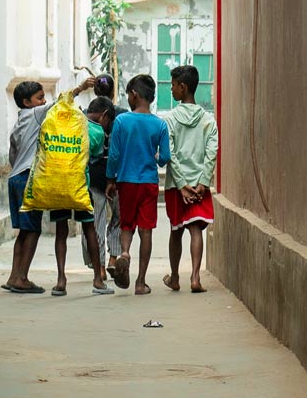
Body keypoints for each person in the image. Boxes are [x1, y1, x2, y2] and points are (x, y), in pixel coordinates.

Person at [5, 76, 97, 294]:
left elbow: (12, 154)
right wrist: (81, 87)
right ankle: (23, 278)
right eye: (39, 98)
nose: (43, 101)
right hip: (28, 179)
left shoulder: (19, 120)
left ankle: (13, 275)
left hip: (14, 178)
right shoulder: (36, 114)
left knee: (23, 232)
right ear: (27, 102)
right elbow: (61, 100)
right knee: (33, 230)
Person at [105, 74, 171, 295]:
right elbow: (164, 157)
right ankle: (141, 282)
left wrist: (110, 179)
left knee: (127, 224)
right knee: (146, 230)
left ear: (134, 95)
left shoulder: (122, 121)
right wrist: (155, 157)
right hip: (148, 182)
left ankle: (124, 254)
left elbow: (113, 155)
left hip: (126, 181)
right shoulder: (160, 125)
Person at [162, 65, 218, 294]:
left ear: (183, 87)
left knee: (176, 230)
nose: (171, 89)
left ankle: (175, 277)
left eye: (173, 85)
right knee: (196, 231)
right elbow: (211, 152)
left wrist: (182, 184)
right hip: (199, 187)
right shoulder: (208, 120)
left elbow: (170, 154)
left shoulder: (170, 119)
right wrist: (202, 183)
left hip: (178, 186)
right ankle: (195, 278)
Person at [49, 101, 112, 297]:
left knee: (61, 231)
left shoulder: (62, 123)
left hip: (59, 184)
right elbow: (94, 155)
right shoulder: (97, 132)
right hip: (81, 186)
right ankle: (97, 279)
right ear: (104, 115)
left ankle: (61, 279)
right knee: (89, 229)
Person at [85, 77, 127, 280]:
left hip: (92, 178)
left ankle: (99, 267)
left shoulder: (83, 116)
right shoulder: (123, 116)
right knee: (118, 219)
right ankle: (112, 259)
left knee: (94, 224)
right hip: (117, 178)